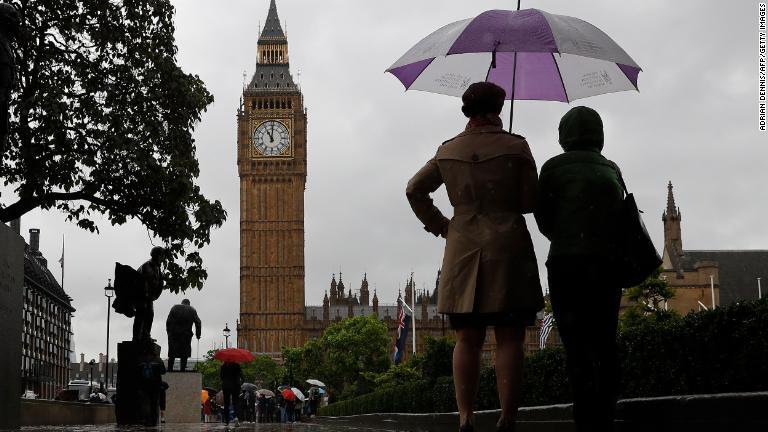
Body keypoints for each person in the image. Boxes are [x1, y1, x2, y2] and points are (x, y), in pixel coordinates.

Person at [406, 81, 543, 432]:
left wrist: (442, 226)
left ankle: (465, 416)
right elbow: (530, 202)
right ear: (498, 108)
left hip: (463, 247)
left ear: (467, 110)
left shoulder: (448, 150)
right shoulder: (517, 146)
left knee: (467, 338)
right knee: (510, 337)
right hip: (507, 248)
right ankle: (507, 417)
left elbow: (414, 189)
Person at [534, 106, 624, 432]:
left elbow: (541, 216)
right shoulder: (610, 168)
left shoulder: (552, 168)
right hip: (607, 266)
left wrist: (564, 235)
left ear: (564, 135)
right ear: (598, 134)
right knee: (605, 340)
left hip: (566, 265)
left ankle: (585, 418)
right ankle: (606, 414)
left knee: (575, 344)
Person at [133, 246, 165, 342]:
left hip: (148, 296)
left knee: (150, 315)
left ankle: (145, 335)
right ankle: (137, 337)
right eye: (161, 256)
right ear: (156, 255)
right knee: (141, 315)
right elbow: (150, 281)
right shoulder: (147, 266)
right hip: (141, 295)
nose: (162, 259)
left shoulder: (156, 267)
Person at [165, 299, 202, 372]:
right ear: (189, 304)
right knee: (184, 353)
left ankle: (170, 368)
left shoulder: (174, 307)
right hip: (186, 335)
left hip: (174, 334)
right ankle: (182, 369)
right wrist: (198, 334)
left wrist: (169, 332)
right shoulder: (192, 310)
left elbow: (168, 321)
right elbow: (198, 323)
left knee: (172, 352)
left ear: (182, 303)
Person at [220, 361, 242, 426]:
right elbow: (240, 374)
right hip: (236, 385)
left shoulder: (224, 366)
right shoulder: (237, 365)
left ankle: (227, 421)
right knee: (236, 402)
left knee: (226, 403)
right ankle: (236, 417)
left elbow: (221, 376)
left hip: (226, 385)